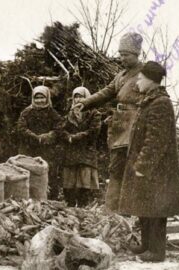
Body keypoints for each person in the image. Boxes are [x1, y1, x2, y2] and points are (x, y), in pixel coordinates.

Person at [72, 32, 145, 212]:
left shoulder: (146, 75)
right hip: (120, 129)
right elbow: (106, 92)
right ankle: (111, 210)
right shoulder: (120, 76)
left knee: (134, 171)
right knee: (116, 169)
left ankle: (132, 211)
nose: (122, 59)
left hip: (136, 128)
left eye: (126, 55)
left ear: (137, 55)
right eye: (120, 54)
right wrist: (86, 102)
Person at [120, 61, 179, 262]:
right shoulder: (151, 100)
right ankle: (146, 245)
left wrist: (142, 165)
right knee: (145, 206)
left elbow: (155, 140)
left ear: (150, 80)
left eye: (140, 77)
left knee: (156, 209)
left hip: (157, 170)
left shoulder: (160, 103)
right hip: (151, 168)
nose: (137, 80)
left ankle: (156, 252)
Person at [59, 87, 101, 207]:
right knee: (69, 183)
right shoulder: (69, 114)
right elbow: (61, 129)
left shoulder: (94, 113)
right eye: (76, 96)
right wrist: (67, 136)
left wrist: (76, 137)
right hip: (71, 152)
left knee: (84, 183)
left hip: (86, 151)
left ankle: (83, 209)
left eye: (81, 96)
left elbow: (94, 131)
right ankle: (70, 210)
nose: (78, 99)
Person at [17, 86, 61, 199]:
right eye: (37, 98)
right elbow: (21, 128)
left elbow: (59, 128)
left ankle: (50, 200)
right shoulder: (26, 112)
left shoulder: (52, 113)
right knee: (29, 172)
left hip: (47, 148)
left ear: (47, 98)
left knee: (48, 173)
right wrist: (35, 137)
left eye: (42, 98)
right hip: (29, 148)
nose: (39, 100)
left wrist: (48, 136)